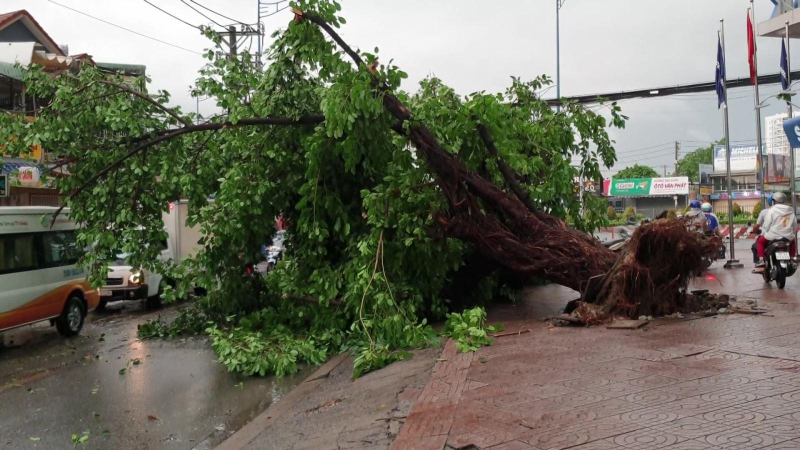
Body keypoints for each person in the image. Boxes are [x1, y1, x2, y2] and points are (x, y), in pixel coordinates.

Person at [755, 192, 797, 271]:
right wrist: (791, 233)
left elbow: (766, 225)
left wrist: (767, 231)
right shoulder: (790, 210)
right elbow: (794, 226)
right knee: (793, 242)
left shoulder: (771, 210)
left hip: (772, 236)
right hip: (787, 236)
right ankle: (792, 258)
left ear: (774, 201)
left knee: (760, 241)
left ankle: (761, 260)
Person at [751, 194, 773, 264]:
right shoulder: (787, 211)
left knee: (756, 245)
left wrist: (755, 230)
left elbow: (757, 225)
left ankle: (759, 262)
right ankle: (792, 258)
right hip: (784, 236)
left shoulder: (765, 212)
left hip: (769, 236)